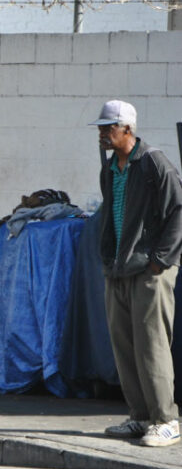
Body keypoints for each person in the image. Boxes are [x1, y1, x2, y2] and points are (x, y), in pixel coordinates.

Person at [91, 100, 182, 447]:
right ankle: (141, 417)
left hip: (149, 269)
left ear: (127, 129)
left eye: (107, 127)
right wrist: (108, 261)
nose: (101, 133)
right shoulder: (110, 168)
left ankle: (166, 419)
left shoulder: (153, 163)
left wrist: (161, 260)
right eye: (100, 128)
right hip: (118, 268)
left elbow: (178, 209)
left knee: (152, 344)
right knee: (124, 345)